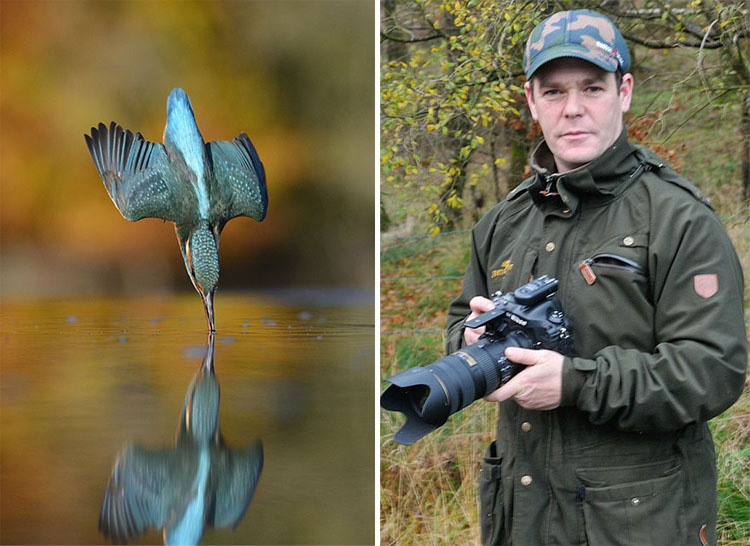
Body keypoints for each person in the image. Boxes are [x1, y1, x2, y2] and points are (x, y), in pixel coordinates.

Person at [445, 9, 747, 546]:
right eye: (554, 92)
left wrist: (574, 383)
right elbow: (459, 317)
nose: (574, 109)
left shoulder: (678, 219)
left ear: (624, 91)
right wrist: (467, 340)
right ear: (531, 101)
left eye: (592, 87)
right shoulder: (502, 222)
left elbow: (712, 370)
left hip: (637, 524)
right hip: (521, 517)